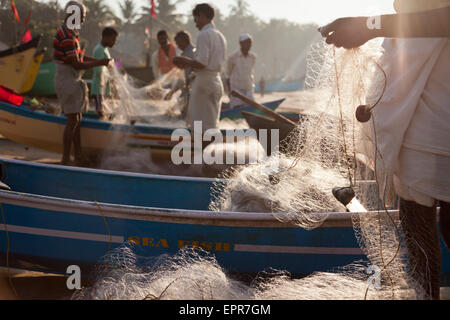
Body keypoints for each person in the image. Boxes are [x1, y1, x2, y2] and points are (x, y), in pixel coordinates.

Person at [320, 0, 449, 300]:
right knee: (414, 206)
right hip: (410, 81)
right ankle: (424, 295)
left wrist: (368, 25)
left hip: (443, 84)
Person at [53, 1, 111, 166]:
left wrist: (101, 61)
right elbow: (76, 64)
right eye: (82, 16)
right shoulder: (66, 34)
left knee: (77, 118)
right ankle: (65, 158)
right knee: (72, 119)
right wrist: (99, 63)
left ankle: (78, 155)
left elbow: (80, 58)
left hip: (73, 79)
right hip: (67, 79)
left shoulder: (72, 33)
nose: (83, 20)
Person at [173, 3, 227, 132]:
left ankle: (201, 151)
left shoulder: (204, 34)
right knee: (212, 124)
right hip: (216, 81)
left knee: (199, 126)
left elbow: (202, 63)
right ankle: (210, 151)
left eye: (196, 19)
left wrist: (182, 60)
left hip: (204, 82)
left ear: (202, 16)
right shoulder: (220, 36)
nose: (196, 23)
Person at [164, 31, 195, 120]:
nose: (177, 46)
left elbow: (184, 79)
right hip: (192, 90)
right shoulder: (194, 50)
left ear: (184, 41)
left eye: (178, 43)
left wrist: (172, 92)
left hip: (192, 91)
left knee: (187, 116)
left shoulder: (187, 55)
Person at [91, 27, 119, 120]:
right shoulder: (99, 50)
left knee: (105, 113)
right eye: (113, 39)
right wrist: (111, 77)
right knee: (101, 113)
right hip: (99, 88)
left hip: (103, 88)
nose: (114, 42)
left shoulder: (104, 49)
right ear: (106, 37)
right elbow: (98, 70)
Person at [226, 33, 257, 108]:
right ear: (241, 44)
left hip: (248, 86)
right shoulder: (233, 57)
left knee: (251, 106)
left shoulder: (253, 57)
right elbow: (228, 74)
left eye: (250, 43)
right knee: (237, 107)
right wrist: (229, 91)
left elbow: (251, 71)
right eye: (247, 43)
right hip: (236, 87)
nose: (249, 45)